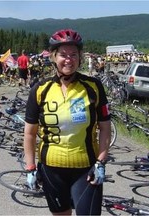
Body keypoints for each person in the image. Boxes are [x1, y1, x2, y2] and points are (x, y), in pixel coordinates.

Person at [23, 29, 111, 215]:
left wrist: (101, 161)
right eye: (63, 54)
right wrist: (30, 167)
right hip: (51, 169)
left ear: (80, 57)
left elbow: (105, 127)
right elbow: (30, 133)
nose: (68, 59)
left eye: (73, 54)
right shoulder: (40, 89)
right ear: (54, 57)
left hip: (86, 168)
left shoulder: (93, 86)